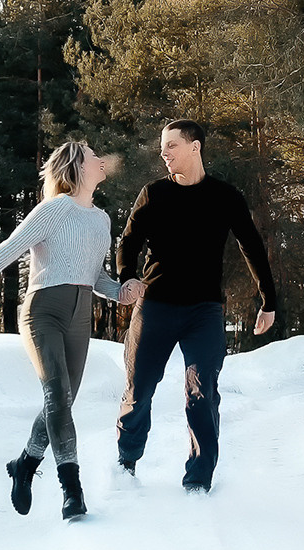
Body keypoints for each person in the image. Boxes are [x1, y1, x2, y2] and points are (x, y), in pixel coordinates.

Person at [0, 140, 125, 521]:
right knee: (57, 396)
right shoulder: (54, 209)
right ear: (76, 166)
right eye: (92, 154)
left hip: (80, 317)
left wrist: (121, 292)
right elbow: (11, 247)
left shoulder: (101, 220)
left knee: (62, 402)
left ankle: (25, 464)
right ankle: (72, 491)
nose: (100, 158)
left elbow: (96, 276)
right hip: (43, 312)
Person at [112, 118, 278, 490]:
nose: (164, 153)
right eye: (162, 148)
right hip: (155, 307)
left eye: (171, 145)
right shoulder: (154, 193)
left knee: (202, 395)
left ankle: (199, 482)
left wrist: (268, 301)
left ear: (195, 147)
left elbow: (252, 246)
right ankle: (125, 466)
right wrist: (127, 277)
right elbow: (128, 242)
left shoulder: (225, 196)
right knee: (139, 391)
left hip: (204, 311)